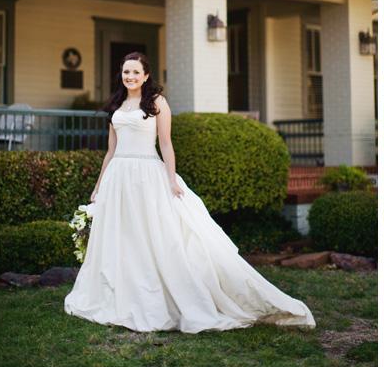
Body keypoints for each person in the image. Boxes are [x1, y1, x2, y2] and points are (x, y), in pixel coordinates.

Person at [64, 52, 315, 333]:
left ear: (146, 75)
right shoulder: (116, 105)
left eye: (135, 72)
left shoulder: (157, 103)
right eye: (125, 72)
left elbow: (167, 145)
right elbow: (110, 151)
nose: (130, 77)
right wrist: (99, 186)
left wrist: (171, 180)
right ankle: (120, 294)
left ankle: (160, 296)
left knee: (155, 237)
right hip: (118, 179)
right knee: (123, 237)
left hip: (147, 175)